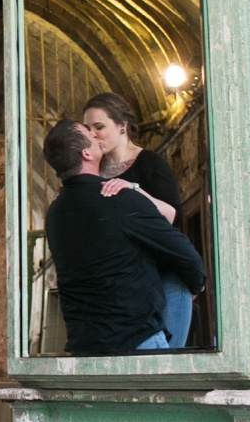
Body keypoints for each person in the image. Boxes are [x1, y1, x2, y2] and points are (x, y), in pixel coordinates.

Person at [42, 119, 204, 356]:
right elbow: (187, 257)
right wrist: (196, 283)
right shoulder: (118, 198)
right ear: (86, 153)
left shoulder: (54, 214)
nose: (95, 136)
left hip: (84, 349)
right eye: (89, 133)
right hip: (136, 343)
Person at [83, 92, 193, 348]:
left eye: (99, 127)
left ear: (123, 126)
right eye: (88, 129)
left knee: (168, 369)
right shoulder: (93, 172)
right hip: (123, 288)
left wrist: (133, 190)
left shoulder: (151, 164)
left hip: (166, 279)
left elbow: (173, 216)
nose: (93, 135)